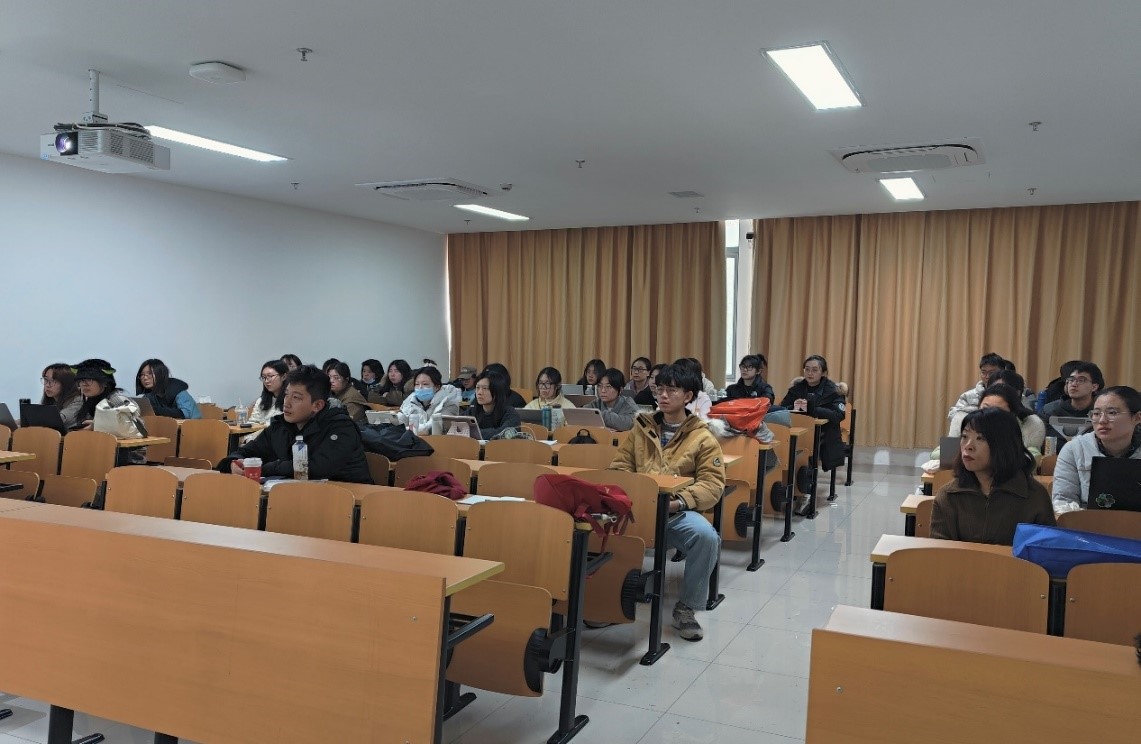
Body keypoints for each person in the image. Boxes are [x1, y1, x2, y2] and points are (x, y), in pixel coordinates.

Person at [609, 362, 725, 641]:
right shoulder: (642, 427)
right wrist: (632, 495)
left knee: (706, 537)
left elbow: (712, 484)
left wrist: (679, 502)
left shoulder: (703, 436)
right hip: (636, 509)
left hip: (675, 512)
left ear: (688, 396)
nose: (663, 395)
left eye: (671, 390)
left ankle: (687, 607)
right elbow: (619, 467)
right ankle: (607, 600)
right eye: (660, 389)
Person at [218, 365, 371, 483]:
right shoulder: (281, 426)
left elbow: (316, 468)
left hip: (345, 501)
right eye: (286, 395)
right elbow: (246, 452)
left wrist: (264, 468)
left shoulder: (341, 427)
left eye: (296, 398)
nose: (287, 403)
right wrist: (232, 463)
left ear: (317, 405)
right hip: (298, 497)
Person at [930, 407, 1056, 544]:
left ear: (1004, 445)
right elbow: (939, 554)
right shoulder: (948, 496)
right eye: (965, 437)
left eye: (980, 438)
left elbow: (1046, 552)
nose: (968, 446)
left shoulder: (1035, 496)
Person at [1052, 386, 1141, 512]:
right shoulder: (1075, 449)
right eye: (1096, 413)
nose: (1102, 420)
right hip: (1087, 522)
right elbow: (1063, 501)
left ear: (1137, 418)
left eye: (1112, 413)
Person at [780, 355, 847, 471]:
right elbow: (782, 409)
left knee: (808, 450)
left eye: (814, 370)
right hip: (797, 431)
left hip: (824, 434)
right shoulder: (796, 389)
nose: (810, 373)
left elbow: (838, 415)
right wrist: (795, 407)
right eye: (807, 369)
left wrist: (813, 408)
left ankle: (806, 476)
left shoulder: (833, 391)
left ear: (823, 373)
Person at [1042, 361, 1104, 447]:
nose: (1074, 384)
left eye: (1081, 380)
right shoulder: (1049, 411)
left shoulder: (1102, 413)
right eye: (1071, 380)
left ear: (1094, 387)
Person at [400, 366, 461, 434]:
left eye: (425, 384)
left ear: (437, 387)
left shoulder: (449, 402)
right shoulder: (411, 400)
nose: (420, 387)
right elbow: (401, 420)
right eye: (417, 384)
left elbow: (432, 428)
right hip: (415, 438)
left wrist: (407, 429)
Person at [134, 359, 202, 419]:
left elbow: (186, 414)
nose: (145, 378)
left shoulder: (178, 390)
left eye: (150, 373)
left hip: (194, 426)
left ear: (160, 374)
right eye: (142, 375)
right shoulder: (149, 395)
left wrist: (156, 410)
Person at [947, 352, 1006, 421]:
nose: (987, 376)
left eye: (991, 373)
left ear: (1002, 372)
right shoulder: (969, 395)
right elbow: (952, 414)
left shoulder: (1011, 393)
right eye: (983, 372)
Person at [245, 360, 288, 443]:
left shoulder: (289, 401)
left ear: (284, 377)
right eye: (264, 377)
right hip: (256, 441)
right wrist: (248, 439)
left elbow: (278, 427)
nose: (266, 381)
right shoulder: (261, 400)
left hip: (277, 441)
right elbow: (253, 422)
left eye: (270, 376)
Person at [470, 370, 521, 439]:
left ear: (497, 391)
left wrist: (472, 433)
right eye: (477, 388)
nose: (479, 392)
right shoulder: (473, 409)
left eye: (485, 388)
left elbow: (503, 434)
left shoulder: (510, 413)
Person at [40, 363, 83, 429]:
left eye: (53, 381)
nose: (47, 385)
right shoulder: (52, 401)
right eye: (46, 380)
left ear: (66, 383)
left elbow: (60, 419)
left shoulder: (78, 400)